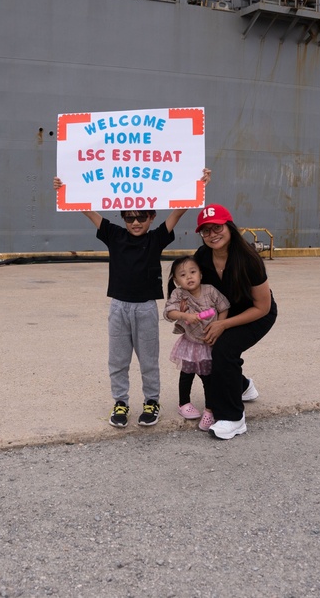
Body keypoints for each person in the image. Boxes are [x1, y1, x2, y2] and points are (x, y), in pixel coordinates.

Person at [52, 169, 211, 428]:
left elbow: (179, 211)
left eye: (141, 217)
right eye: (129, 217)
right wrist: (65, 188)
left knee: (148, 360)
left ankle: (152, 401)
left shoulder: (156, 238)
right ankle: (121, 402)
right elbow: (88, 210)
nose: (135, 222)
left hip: (146, 308)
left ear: (151, 216)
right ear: (123, 216)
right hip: (119, 307)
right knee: (118, 359)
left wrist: (198, 183)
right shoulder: (114, 235)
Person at [192, 204, 277, 440]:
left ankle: (233, 418)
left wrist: (223, 325)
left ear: (229, 227)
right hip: (223, 314)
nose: (212, 235)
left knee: (224, 349)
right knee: (202, 348)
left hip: (255, 313)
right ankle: (241, 386)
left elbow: (263, 306)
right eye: (206, 231)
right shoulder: (202, 256)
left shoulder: (249, 259)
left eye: (217, 227)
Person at [164, 256, 230, 431]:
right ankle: (183, 403)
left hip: (208, 343)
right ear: (177, 280)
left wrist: (219, 327)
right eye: (183, 275)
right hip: (190, 343)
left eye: (193, 272)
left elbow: (224, 308)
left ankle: (210, 408)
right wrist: (184, 315)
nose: (189, 277)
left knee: (208, 378)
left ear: (200, 274)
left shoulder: (210, 290)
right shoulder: (179, 294)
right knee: (187, 374)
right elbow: (169, 312)